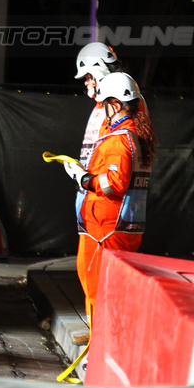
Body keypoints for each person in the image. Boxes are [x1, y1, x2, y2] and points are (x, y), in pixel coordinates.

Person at [61, 71, 152, 327]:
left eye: (104, 105)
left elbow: (113, 184)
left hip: (106, 231)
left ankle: (100, 351)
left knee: (99, 293)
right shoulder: (134, 137)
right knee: (108, 294)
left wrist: (83, 179)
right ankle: (102, 347)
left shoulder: (118, 142)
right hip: (119, 227)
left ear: (114, 104)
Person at [72, 42, 123, 167]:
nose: (86, 83)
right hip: (95, 183)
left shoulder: (118, 104)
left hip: (108, 183)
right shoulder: (101, 105)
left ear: (98, 73)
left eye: (88, 77)